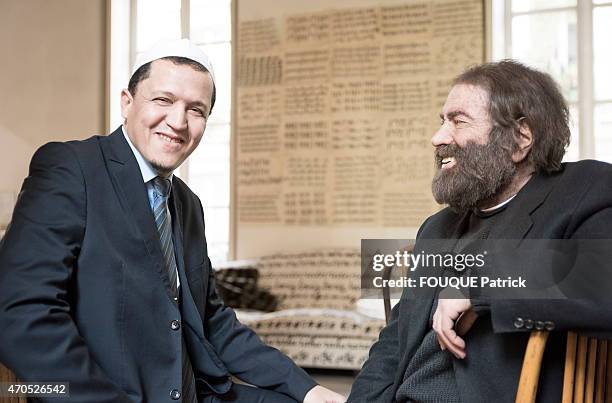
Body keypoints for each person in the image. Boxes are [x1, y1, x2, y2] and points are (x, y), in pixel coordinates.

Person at [0, 38, 345, 403]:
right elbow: (20, 312)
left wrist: (307, 388)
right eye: (163, 100)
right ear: (126, 102)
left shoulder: (187, 204)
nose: (178, 121)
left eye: (196, 110)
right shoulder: (72, 169)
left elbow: (212, 321)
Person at [348, 60, 612, 402]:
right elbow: (393, 345)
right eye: (442, 122)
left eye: (458, 121)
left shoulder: (584, 189)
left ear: (520, 139)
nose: (437, 137)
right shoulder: (436, 227)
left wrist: (478, 285)